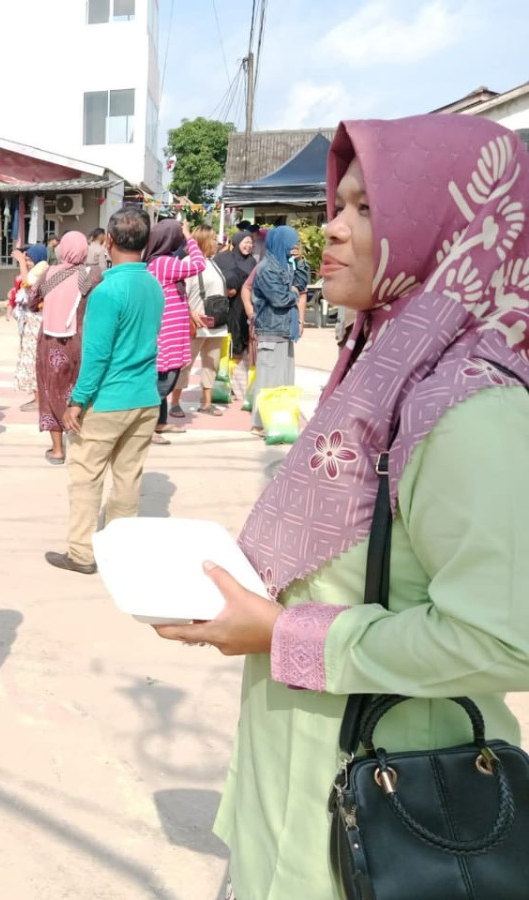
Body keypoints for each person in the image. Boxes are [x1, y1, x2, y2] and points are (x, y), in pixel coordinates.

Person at [154, 114, 529, 900]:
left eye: (368, 208)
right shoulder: (379, 364)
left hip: (399, 821)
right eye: (339, 205)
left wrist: (285, 634)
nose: (330, 228)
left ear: (447, 229)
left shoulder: (472, 409)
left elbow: (505, 639)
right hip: (293, 795)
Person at [45, 206, 163, 575]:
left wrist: (77, 401)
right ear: (145, 242)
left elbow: (96, 355)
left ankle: (81, 553)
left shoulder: (107, 291)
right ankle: (119, 552)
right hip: (145, 399)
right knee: (128, 479)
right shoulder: (153, 286)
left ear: (109, 241)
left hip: (109, 400)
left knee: (85, 476)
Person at [32, 230, 103, 464]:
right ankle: (80, 445)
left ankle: (57, 450)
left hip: (49, 341)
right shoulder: (92, 275)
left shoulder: (49, 273)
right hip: (80, 342)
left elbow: (32, 300)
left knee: (50, 390)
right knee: (79, 390)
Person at [143, 218, 206, 444]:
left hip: (170, 333)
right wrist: (190, 238)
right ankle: (148, 429)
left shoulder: (161, 261)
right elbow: (199, 264)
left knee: (164, 378)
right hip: (166, 335)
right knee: (162, 383)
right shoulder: (163, 263)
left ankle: (160, 422)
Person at [246, 225, 309, 436]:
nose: (294, 247)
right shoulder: (266, 268)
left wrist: (301, 263)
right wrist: (293, 292)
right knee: (268, 380)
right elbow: (280, 299)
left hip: (285, 330)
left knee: (283, 380)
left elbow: (300, 286)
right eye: (291, 243)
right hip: (271, 331)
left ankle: (276, 423)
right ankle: (259, 424)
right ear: (281, 243)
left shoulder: (285, 265)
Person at [170, 224, 229, 416]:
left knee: (211, 362)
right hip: (195, 323)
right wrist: (191, 312)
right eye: (213, 239)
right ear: (203, 240)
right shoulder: (188, 263)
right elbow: (179, 293)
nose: (216, 243)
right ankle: (175, 402)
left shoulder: (212, 262)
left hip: (215, 323)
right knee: (185, 364)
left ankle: (206, 402)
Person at [212, 231, 258, 397]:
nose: (248, 246)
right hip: (226, 306)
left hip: (243, 308)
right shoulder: (222, 259)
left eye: (250, 243)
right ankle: (221, 380)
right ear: (237, 242)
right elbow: (214, 278)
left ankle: (233, 381)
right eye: (245, 242)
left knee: (240, 344)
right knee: (225, 343)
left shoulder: (252, 262)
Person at [11, 243, 50, 410]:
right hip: (31, 321)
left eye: (29, 260)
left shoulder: (41, 271)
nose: (27, 263)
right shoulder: (38, 272)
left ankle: (39, 400)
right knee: (32, 359)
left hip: (36, 321)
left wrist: (20, 262)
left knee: (34, 359)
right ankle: (37, 397)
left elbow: (27, 283)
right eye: (26, 260)